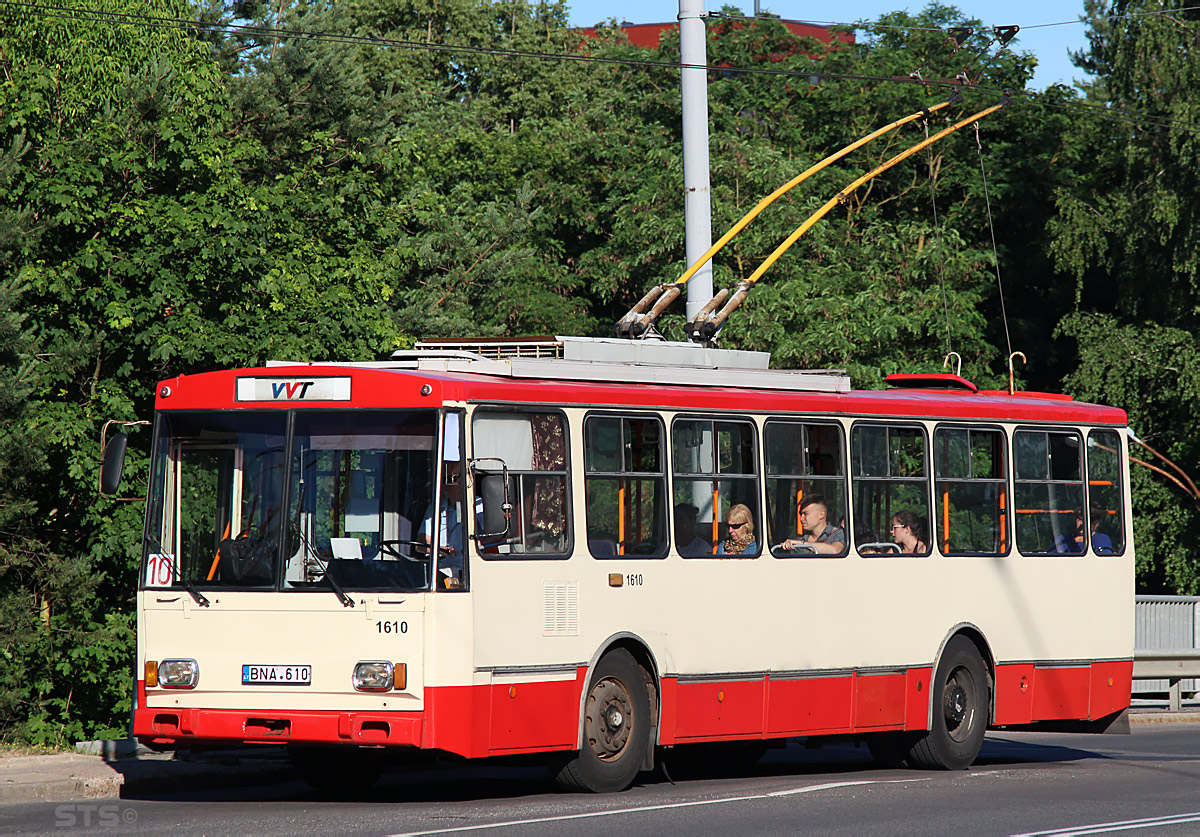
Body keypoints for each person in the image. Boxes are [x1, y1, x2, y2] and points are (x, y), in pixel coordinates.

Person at [420, 461, 479, 587]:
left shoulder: (479, 507)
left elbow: (490, 540)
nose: (446, 484)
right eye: (444, 480)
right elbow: (421, 543)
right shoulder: (434, 508)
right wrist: (440, 550)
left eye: (452, 479)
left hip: (469, 573)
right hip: (437, 573)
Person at [780, 495, 845, 555]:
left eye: (805, 514)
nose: (801, 518)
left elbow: (835, 550)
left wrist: (801, 544)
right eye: (801, 514)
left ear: (821, 514)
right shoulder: (801, 539)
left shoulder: (838, 533)